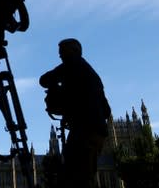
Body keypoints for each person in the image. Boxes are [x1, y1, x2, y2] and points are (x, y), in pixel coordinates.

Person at [39, 38, 110, 188]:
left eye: (62, 53)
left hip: (84, 132)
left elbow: (44, 80)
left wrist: (56, 91)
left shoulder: (72, 64)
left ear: (73, 51)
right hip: (96, 132)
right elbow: (106, 110)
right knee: (84, 174)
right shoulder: (90, 73)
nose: (60, 56)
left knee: (76, 177)